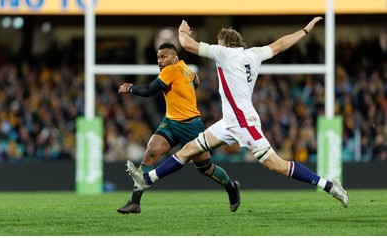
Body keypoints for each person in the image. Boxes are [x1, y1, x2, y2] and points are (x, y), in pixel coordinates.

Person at [126, 17, 350, 208]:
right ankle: (147, 179)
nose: (217, 45)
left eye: (219, 42)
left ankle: (329, 185)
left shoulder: (224, 53)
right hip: (229, 121)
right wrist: (305, 30)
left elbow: (187, 44)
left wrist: (182, 31)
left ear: (225, 43)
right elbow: (281, 44)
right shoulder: (254, 54)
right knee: (189, 149)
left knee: (276, 165)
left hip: (243, 122)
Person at [117, 42, 240, 214]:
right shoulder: (186, 69)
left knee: (205, 168)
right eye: (158, 57)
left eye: (164, 57)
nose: (160, 61)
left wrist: (130, 88)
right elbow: (196, 80)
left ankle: (231, 187)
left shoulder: (172, 69)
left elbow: (149, 90)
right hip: (170, 122)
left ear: (174, 57)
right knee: (151, 152)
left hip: (190, 125)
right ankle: (135, 201)